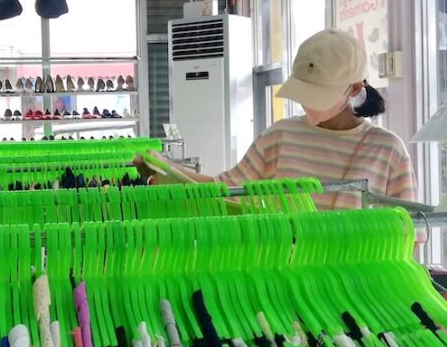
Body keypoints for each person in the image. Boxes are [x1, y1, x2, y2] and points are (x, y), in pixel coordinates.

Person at [139, 28, 417, 211]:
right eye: (304, 91)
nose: (308, 104)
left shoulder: (387, 150)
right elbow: (224, 189)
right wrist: (165, 169)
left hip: (356, 288)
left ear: (355, 88)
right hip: (279, 280)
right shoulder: (280, 136)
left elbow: (411, 238)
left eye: (319, 94)